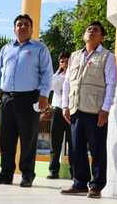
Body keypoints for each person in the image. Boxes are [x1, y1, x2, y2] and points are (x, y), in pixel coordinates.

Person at [0, 14, 53, 188]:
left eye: (26, 24)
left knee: (28, 138)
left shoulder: (40, 49)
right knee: (6, 139)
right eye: (19, 24)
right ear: (14, 28)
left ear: (31, 29)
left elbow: (47, 73)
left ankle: (27, 175)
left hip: (29, 98)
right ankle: (6, 173)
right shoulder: (6, 49)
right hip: (7, 98)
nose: (22, 27)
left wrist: (44, 95)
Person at [60, 21, 117, 199]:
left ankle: (96, 186)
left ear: (102, 37)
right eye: (89, 29)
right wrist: (64, 105)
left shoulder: (108, 56)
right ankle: (79, 183)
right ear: (84, 35)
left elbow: (111, 83)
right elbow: (67, 82)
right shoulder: (75, 56)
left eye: (96, 30)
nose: (91, 31)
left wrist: (106, 109)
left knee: (97, 149)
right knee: (77, 148)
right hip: (75, 108)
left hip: (96, 111)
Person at [48, 51, 73, 179]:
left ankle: (74, 171)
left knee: (72, 143)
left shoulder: (74, 74)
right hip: (58, 109)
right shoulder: (56, 75)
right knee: (55, 142)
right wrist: (59, 71)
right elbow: (50, 86)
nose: (65, 63)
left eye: (67, 60)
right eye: (62, 61)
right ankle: (53, 170)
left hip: (71, 110)